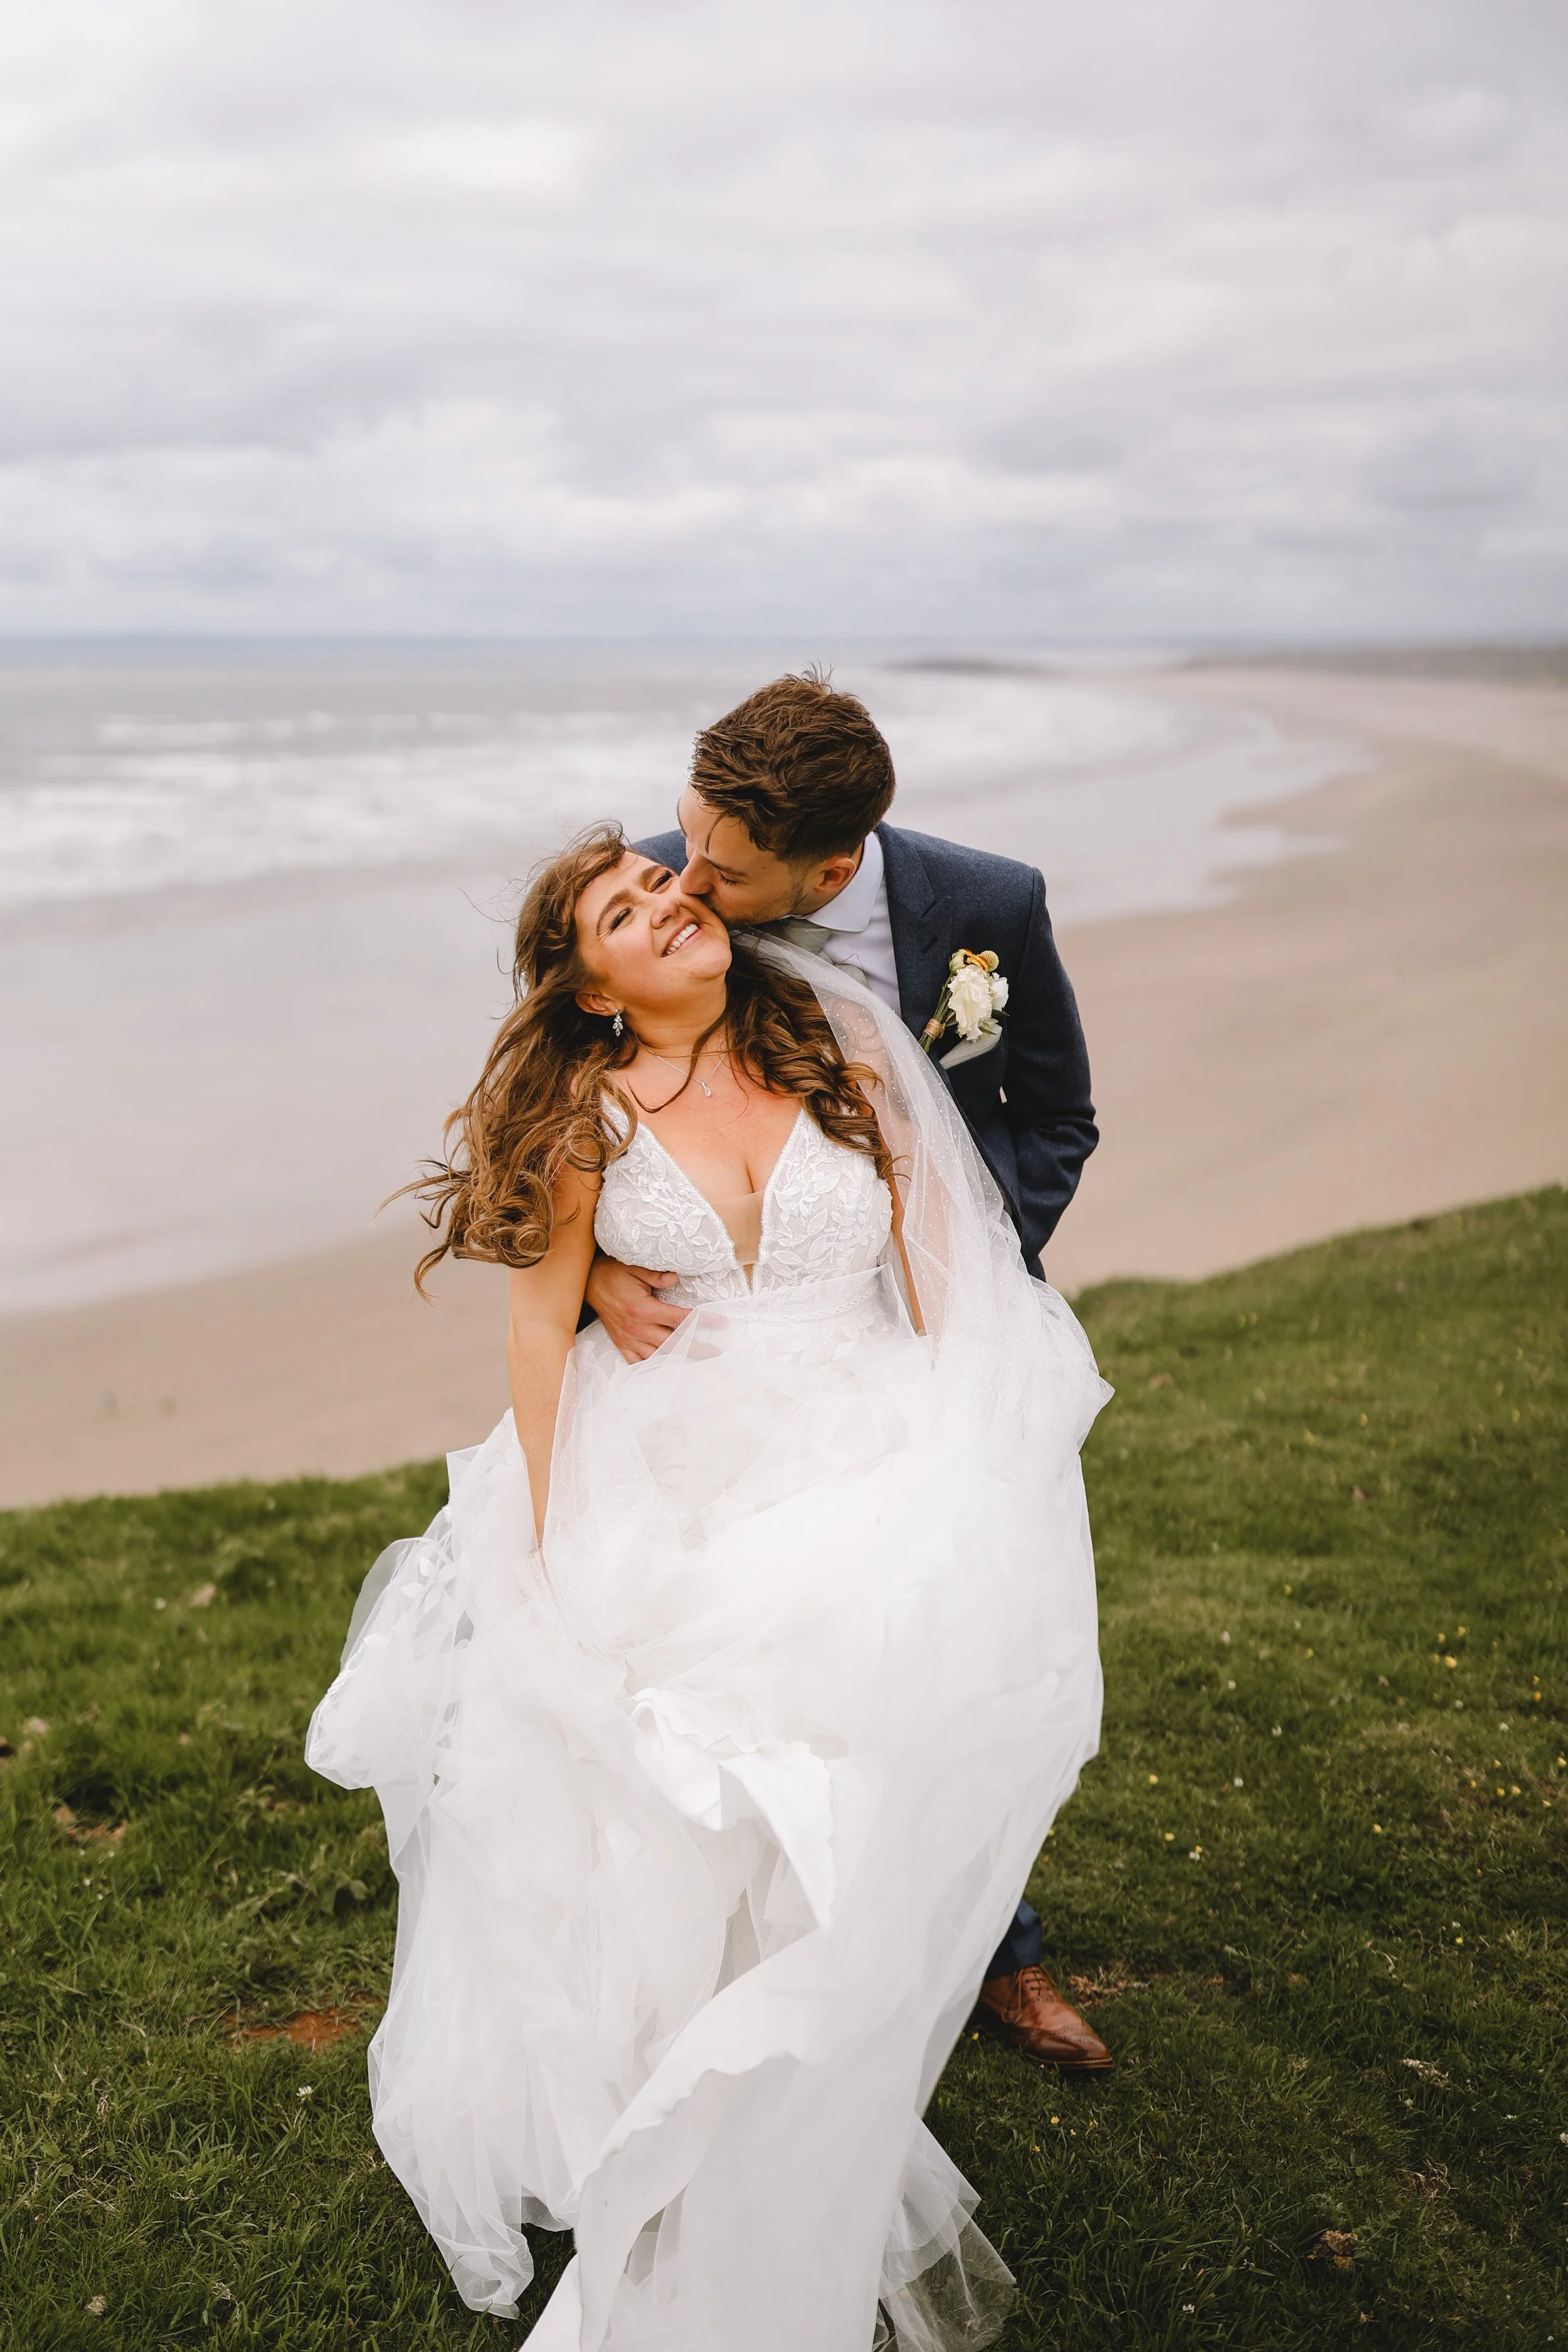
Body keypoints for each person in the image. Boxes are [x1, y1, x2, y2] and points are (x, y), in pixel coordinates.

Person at [307, 823, 1108, 2348]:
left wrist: (968, 1470)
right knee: (690, 1801)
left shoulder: (841, 1059)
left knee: (848, 1792)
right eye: (626, 911)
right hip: (667, 1470)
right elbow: (541, 1335)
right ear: (594, 988)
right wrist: (542, 1549)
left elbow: (943, 1280)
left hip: (869, 1449)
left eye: (667, 887)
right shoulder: (589, 1121)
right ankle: (699, 2095)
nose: (672, 904)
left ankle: (805, 2080)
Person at [585, 671, 1110, 2075]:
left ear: (831, 866)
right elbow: (547, 1101)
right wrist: (589, 1267)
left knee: (952, 1651)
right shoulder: (657, 886)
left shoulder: (986, 909)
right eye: (688, 836)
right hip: (729, 1354)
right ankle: (737, 1972)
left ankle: (997, 1959)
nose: (685, 881)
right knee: (730, 1672)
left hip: (931, 1331)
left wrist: (979, 1279)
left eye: (725, 867)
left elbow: (1054, 1112)